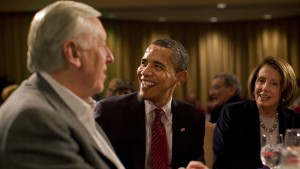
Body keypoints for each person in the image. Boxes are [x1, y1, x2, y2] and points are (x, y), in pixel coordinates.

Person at [0, 1, 125, 169]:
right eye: (102, 45)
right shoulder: (35, 120)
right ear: (73, 53)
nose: (110, 57)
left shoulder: (71, 105)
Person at [95, 38, 207, 169]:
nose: (144, 72)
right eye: (144, 63)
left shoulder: (192, 117)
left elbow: (196, 163)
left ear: (180, 77)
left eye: (158, 66)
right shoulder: (110, 112)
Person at [213, 56, 300, 169]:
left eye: (274, 83)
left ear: (284, 91)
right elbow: (221, 164)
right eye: (261, 80)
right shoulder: (233, 114)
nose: (264, 88)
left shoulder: (294, 119)